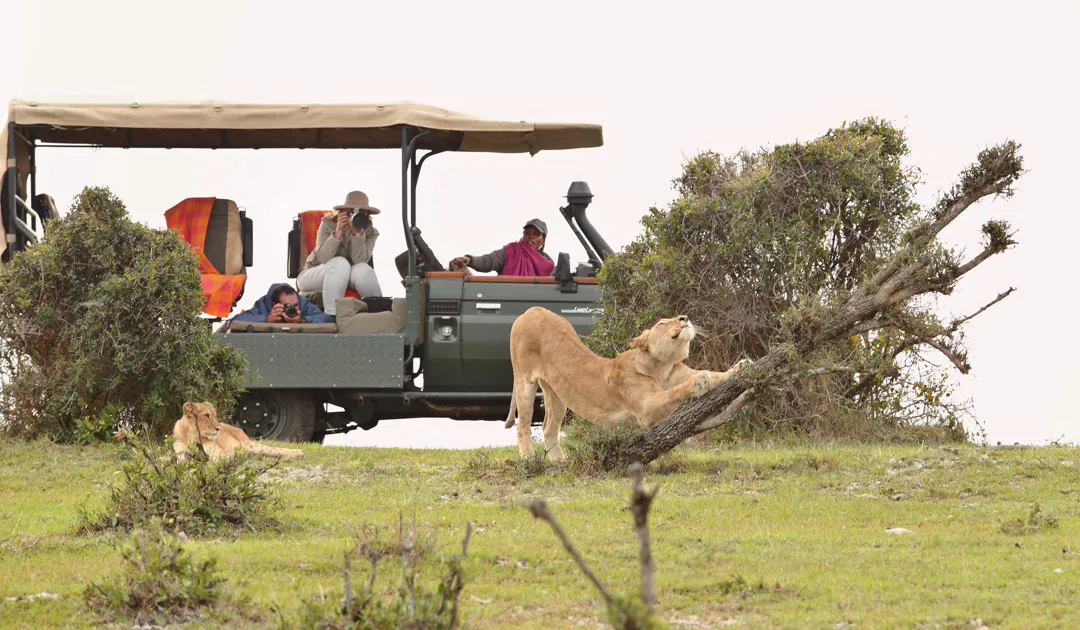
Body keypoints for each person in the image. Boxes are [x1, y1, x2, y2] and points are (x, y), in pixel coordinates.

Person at [296, 190, 383, 316]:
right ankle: (332, 315)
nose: (357, 215)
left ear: (368, 214)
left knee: (363, 269)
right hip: (313, 275)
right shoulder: (327, 223)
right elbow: (323, 258)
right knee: (340, 263)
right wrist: (337, 233)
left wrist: (358, 234)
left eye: (362, 212)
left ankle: (380, 312)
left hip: (347, 275)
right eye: (352, 211)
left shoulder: (370, 232)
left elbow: (359, 261)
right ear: (344, 212)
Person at [450, 219, 555, 276]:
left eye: (536, 234)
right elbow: (488, 261)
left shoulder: (547, 262)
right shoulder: (510, 251)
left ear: (543, 240)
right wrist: (470, 260)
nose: (531, 236)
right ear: (523, 236)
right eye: (527, 233)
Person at [232, 283, 333, 324]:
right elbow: (236, 320)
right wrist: (266, 318)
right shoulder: (263, 305)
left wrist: (302, 319)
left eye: (296, 305)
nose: (293, 309)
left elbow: (327, 319)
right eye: (288, 306)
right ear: (274, 305)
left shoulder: (302, 303)